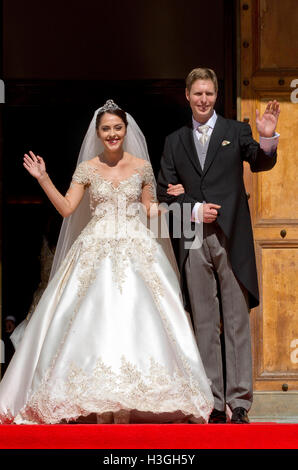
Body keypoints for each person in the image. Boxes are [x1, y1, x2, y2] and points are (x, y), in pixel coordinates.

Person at [0, 100, 214, 425]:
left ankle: (127, 404)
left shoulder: (141, 166)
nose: (112, 134)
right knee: (93, 321)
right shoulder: (87, 168)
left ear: (125, 130)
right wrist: (43, 178)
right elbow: (67, 209)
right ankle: (100, 406)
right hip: (94, 249)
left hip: (135, 248)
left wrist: (177, 206)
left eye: (117, 128)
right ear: (98, 133)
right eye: (106, 129)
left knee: (133, 320)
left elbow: (150, 209)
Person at [157, 68, 280, 424]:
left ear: (216, 95)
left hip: (232, 234)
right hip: (194, 236)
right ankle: (212, 401)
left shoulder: (235, 131)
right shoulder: (174, 140)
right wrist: (194, 208)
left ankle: (238, 403)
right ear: (187, 95)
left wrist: (267, 137)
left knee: (236, 319)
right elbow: (164, 193)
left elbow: (261, 161)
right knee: (205, 322)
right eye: (197, 93)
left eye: (209, 93)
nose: (203, 99)